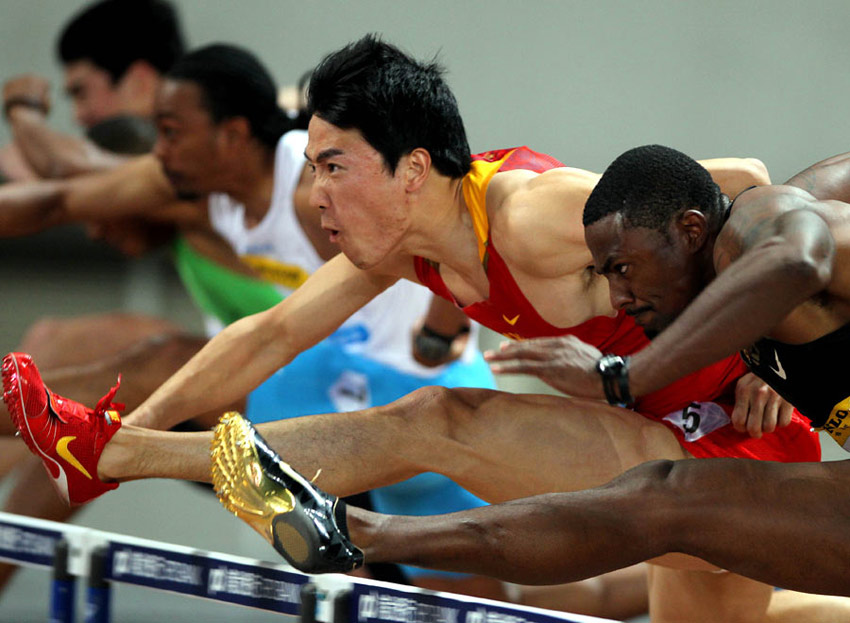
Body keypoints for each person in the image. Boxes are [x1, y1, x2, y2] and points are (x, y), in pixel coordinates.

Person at [2, 35, 833, 622]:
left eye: (333, 168)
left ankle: (117, 455)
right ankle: (109, 453)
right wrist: (124, 431)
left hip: (736, 429)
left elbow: (742, 182)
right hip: (648, 436)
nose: (317, 196)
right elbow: (264, 336)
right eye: (312, 170)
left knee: (441, 419)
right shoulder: (395, 252)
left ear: (413, 169)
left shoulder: (533, 212)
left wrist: (764, 349)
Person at [196, 145, 850, 600]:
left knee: (660, 516)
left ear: (689, 228)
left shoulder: (763, 227)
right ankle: (354, 533)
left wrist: (625, 376)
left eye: (622, 268)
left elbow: (792, 260)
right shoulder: (739, 269)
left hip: (753, 418)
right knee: (664, 496)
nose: (618, 298)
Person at [0, 43, 496, 597]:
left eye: (171, 133)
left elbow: (453, 221)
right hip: (338, 383)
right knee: (180, 372)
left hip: (416, 389)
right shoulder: (199, 188)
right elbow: (62, 194)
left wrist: (442, 325)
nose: (160, 155)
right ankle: (95, 446)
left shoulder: (314, 196)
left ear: (232, 135)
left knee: (519, 595)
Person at [0, 0, 186, 181]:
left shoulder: (193, 166)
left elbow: (64, 165)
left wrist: (23, 108)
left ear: (140, 84)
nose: (77, 116)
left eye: (81, 93)